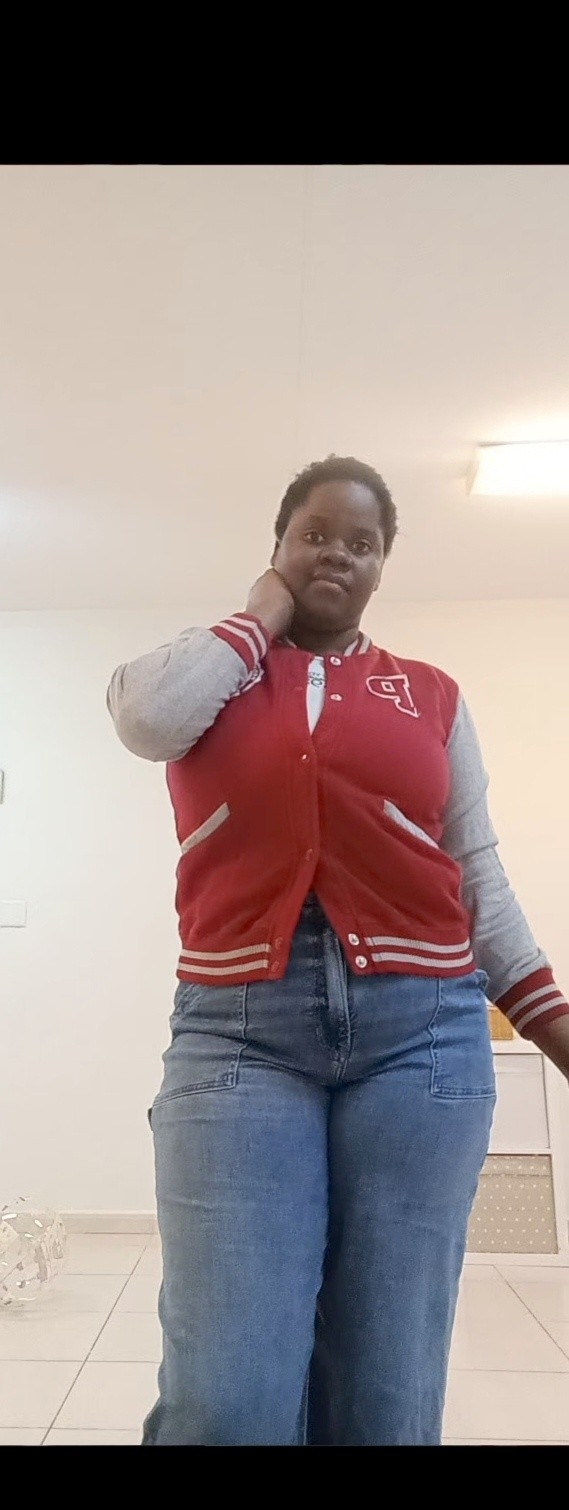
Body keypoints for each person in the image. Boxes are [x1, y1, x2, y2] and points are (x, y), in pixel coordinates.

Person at [107, 455, 569, 1447]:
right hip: (239, 1036)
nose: (337, 554)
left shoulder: (430, 695)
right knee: (227, 1401)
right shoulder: (211, 673)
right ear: (277, 546)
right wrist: (261, 614)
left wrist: (552, 1022)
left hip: (422, 1038)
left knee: (385, 1398)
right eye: (314, 533)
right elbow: (144, 719)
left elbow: (474, 875)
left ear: (381, 567)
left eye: (361, 543)